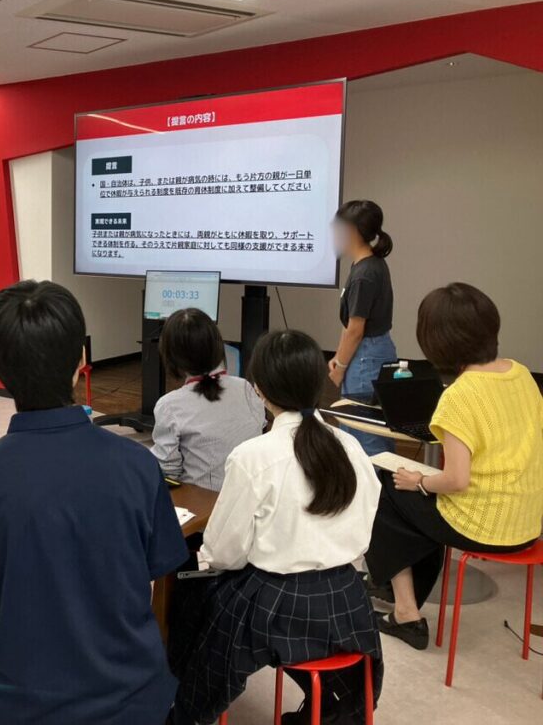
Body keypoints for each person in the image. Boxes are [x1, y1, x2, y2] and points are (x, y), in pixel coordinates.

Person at [0, 280, 187, 725]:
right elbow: (146, 587)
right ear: (81, 361)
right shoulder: (139, 465)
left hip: (31, 708)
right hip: (137, 700)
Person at [168, 330, 383, 725]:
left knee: (187, 587)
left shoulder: (253, 456)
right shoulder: (350, 447)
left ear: (259, 390)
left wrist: (205, 560)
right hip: (346, 598)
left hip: (273, 601)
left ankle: (184, 709)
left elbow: (225, 553)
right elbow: (365, 529)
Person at [364, 283, 543, 650]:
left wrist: (419, 481)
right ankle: (394, 585)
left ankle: (406, 613)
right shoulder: (522, 375)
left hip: (481, 526)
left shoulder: (460, 395)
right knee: (412, 503)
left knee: (388, 487)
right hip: (528, 524)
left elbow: (457, 480)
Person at [150, 308, 265, 492]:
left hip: (203, 501)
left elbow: (167, 471)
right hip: (250, 493)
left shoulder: (169, 405)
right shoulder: (244, 387)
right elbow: (260, 427)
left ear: (171, 357)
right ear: (217, 345)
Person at [328, 200, 396, 455]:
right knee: (365, 429)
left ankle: (372, 481)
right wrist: (338, 356)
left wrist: (340, 366)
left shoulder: (364, 273)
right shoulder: (368, 264)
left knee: (364, 436)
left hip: (366, 357)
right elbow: (350, 325)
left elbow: (356, 329)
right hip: (370, 352)